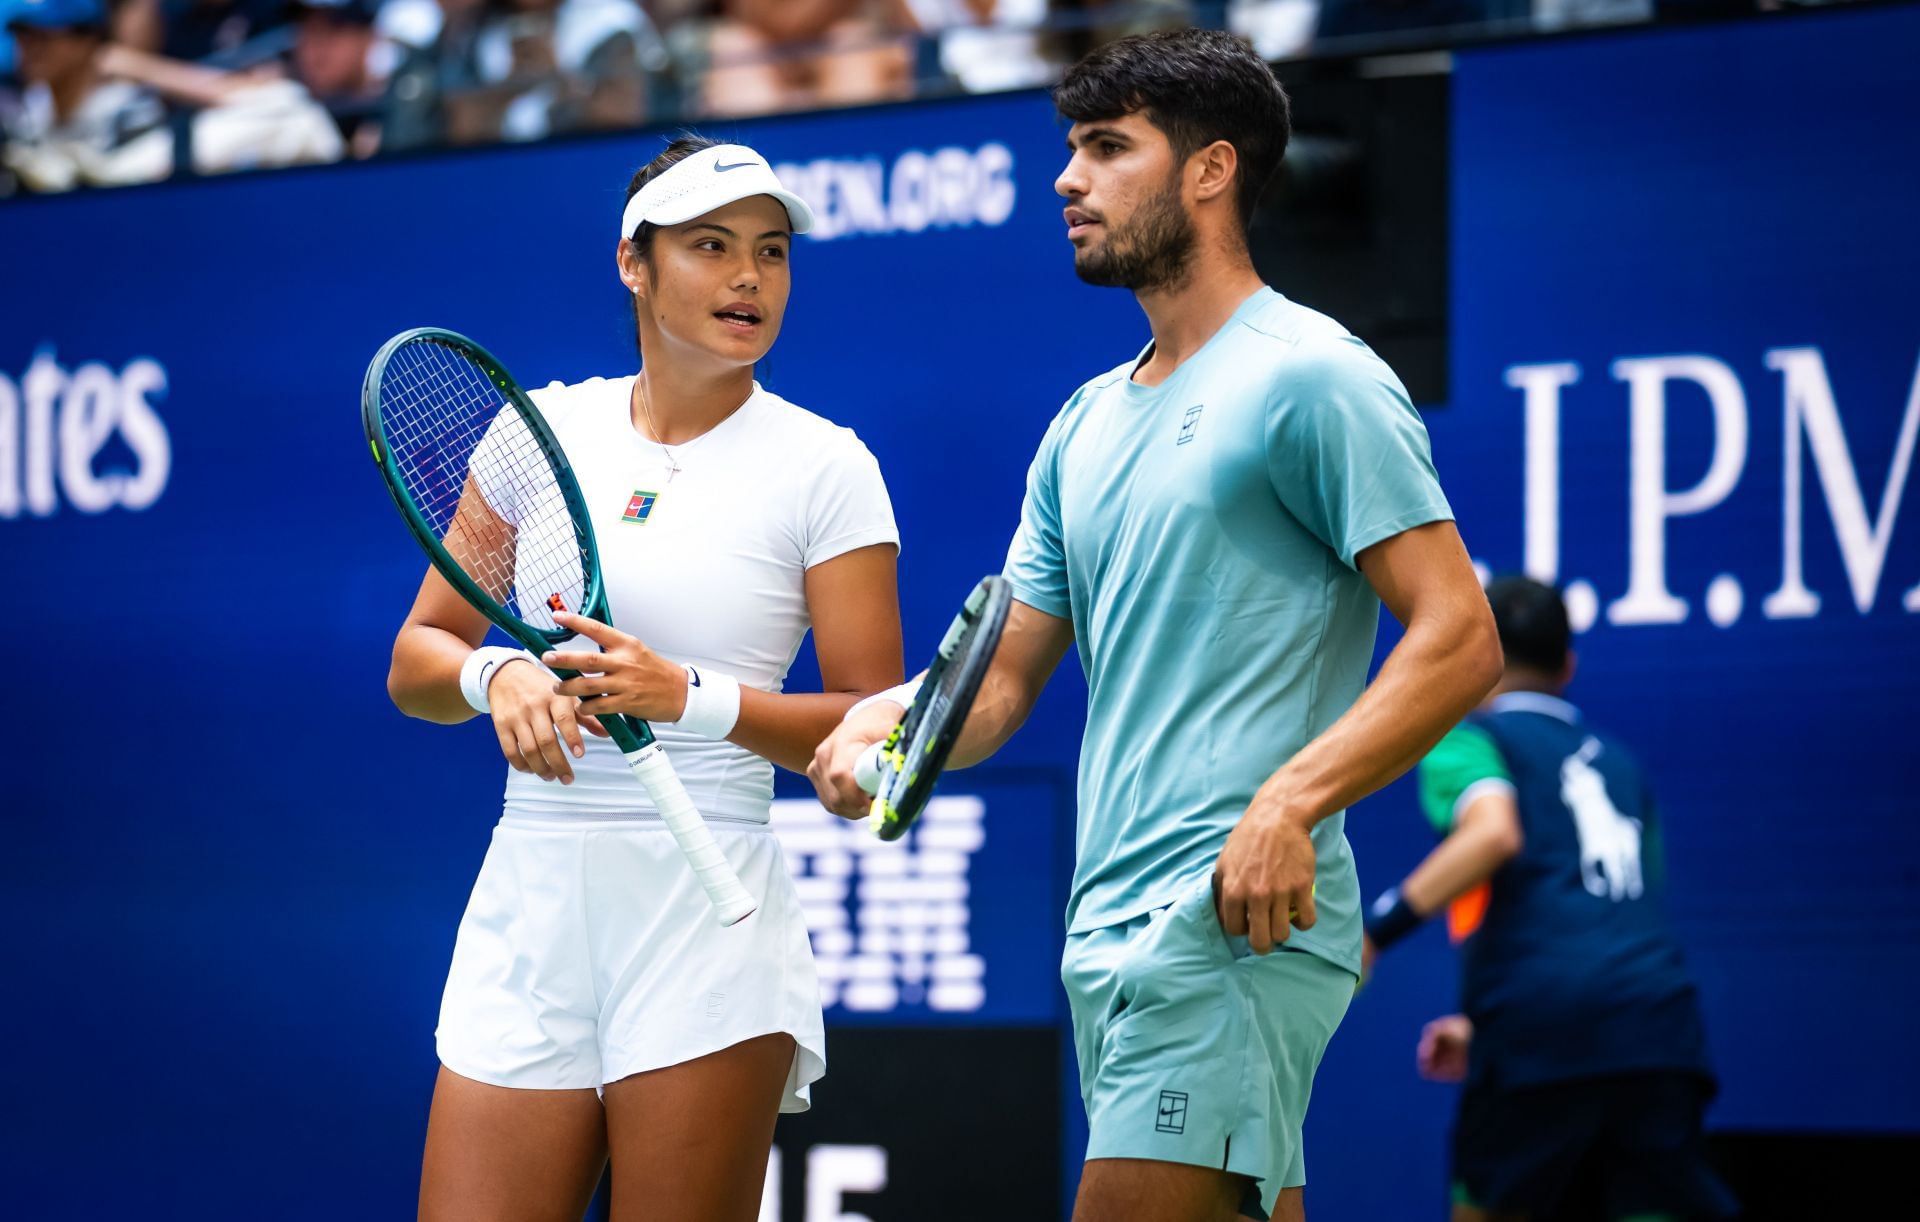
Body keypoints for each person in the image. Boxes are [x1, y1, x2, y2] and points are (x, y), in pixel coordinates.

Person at [809, 28, 1501, 1222]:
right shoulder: (1081, 425)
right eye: (1072, 149)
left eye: (1106, 148)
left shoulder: (1315, 375)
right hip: (1111, 930)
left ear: (1210, 169)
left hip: (1228, 922)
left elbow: (1460, 636)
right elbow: (997, 684)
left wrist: (1288, 804)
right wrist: (888, 729)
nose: (1067, 179)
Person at [385, 136, 904, 1221]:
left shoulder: (828, 466)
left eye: (771, 251)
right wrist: (495, 674)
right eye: (711, 246)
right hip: (531, 898)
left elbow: (875, 721)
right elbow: (418, 658)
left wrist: (689, 698)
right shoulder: (538, 431)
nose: (749, 276)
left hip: (706, 914)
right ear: (634, 263)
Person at [1362, 576, 1738, 1222]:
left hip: (1538, 1030)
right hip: (1656, 1027)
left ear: (1478, 658)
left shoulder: (1471, 739)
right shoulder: (1622, 764)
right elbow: (1617, 910)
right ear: (1568, 665)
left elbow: (1493, 832)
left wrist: (1375, 932)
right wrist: (1490, 1025)